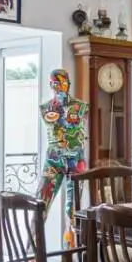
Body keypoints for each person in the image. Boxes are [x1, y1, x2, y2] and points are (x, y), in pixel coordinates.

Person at [37, 69, 89, 206]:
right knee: (41, 202)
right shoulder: (45, 108)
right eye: (56, 83)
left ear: (69, 83)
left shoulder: (82, 107)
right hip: (54, 159)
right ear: (50, 85)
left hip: (76, 159)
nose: (60, 87)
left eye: (64, 83)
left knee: (73, 207)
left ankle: (72, 221)